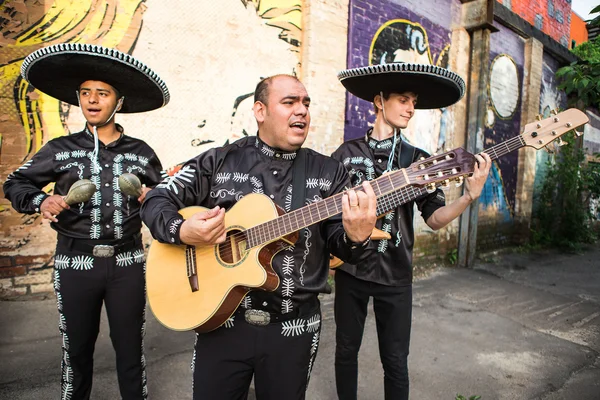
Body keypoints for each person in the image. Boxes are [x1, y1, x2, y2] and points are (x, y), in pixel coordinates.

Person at [140, 74, 377, 400]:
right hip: (221, 320)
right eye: (290, 102)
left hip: (293, 327)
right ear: (260, 111)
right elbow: (157, 199)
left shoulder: (330, 173)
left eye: (306, 103)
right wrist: (181, 230)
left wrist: (357, 237)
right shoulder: (218, 160)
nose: (302, 111)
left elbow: (342, 244)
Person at [4, 43, 170, 400]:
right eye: (85, 93)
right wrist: (41, 199)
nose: (92, 100)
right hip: (74, 261)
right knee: (76, 352)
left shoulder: (141, 152)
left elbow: (166, 197)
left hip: (128, 263)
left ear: (119, 101)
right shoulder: (59, 148)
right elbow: (14, 183)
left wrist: (153, 199)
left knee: (130, 350)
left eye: (103, 93)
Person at [331, 62, 492, 400]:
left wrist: (469, 197)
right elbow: (326, 213)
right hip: (349, 269)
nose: (410, 108)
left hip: (396, 274)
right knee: (346, 352)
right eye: (403, 99)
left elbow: (434, 219)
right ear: (379, 101)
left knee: (395, 361)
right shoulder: (345, 156)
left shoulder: (421, 162)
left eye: (414, 102)